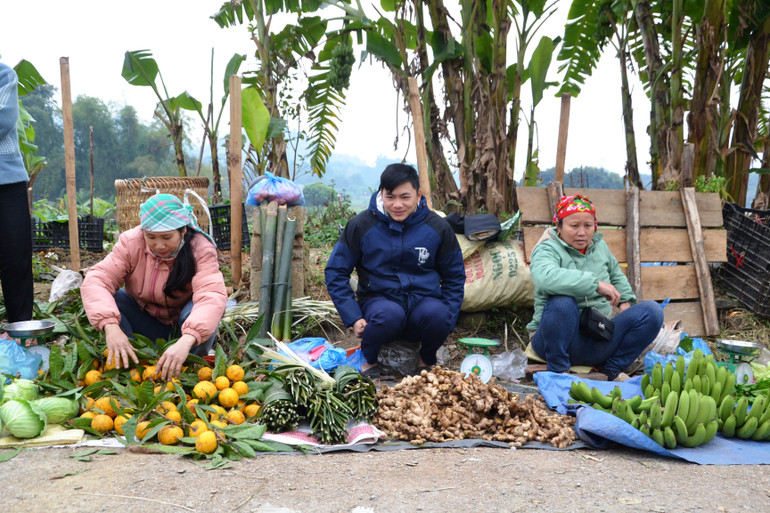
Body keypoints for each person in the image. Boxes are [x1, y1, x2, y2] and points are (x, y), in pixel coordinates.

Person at [325, 163, 466, 378]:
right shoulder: (361, 225)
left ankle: (425, 359)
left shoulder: (438, 228)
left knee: (439, 314)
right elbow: (335, 271)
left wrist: (448, 317)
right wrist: (353, 317)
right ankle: (369, 359)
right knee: (389, 314)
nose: (397, 205)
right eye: (390, 197)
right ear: (381, 193)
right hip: (379, 305)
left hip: (423, 304)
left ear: (418, 195)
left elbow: (454, 277)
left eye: (405, 197)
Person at [81, 193, 227, 380]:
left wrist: (187, 339)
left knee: (202, 308)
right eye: (151, 237)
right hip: (148, 322)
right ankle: (133, 358)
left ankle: (191, 364)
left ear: (183, 231)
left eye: (167, 237)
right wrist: (111, 327)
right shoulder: (132, 243)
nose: (159, 245)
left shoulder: (200, 248)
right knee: (113, 299)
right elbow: (97, 280)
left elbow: (211, 295)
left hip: (183, 329)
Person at [527, 193, 664, 382]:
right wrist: (595, 285)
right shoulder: (547, 249)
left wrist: (624, 302)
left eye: (588, 226)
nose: (581, 232)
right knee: (562, 302)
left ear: (595, 226)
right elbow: (545, 278)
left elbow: (616, 275)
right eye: (574, 226)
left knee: (652, 312)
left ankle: (612, 369)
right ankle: (558, 371)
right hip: (556, 340)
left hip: (597, 335)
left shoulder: (600, 247)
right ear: (558, 226)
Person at [0, 62, 34, 323]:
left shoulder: (4, 74)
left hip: (7, 182)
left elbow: (3, 119)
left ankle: (21, 329)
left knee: (15, 257)